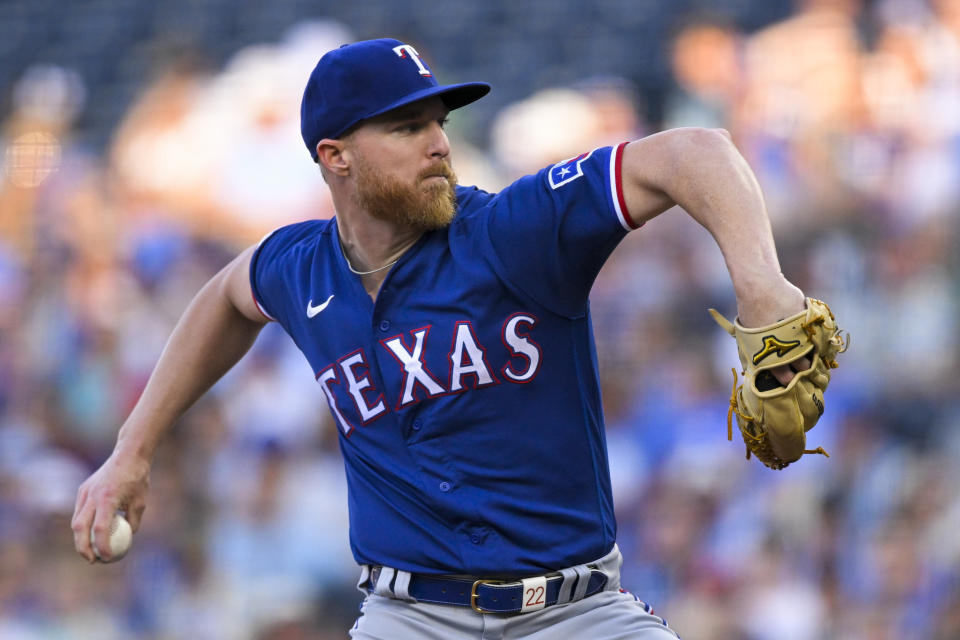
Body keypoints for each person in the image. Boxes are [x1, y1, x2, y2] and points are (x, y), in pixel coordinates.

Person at [71, 38, 808, 639]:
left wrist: (763, 289)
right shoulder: (302, 269)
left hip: (577, 614)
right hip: (409, 618)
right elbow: (226, 299)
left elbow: (695, 152)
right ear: (336, 157)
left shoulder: (510, 234)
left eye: (438, 123)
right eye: (406, 127)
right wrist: (130, 453)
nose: (437, 145)